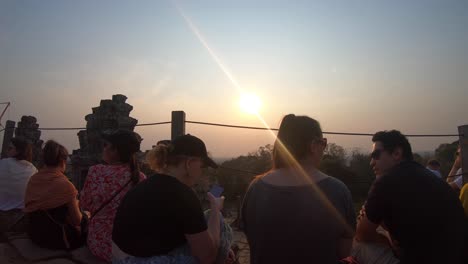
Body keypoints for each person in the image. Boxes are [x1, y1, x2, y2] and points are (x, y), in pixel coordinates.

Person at [241, 114, 356, 264]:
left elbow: (254, 241)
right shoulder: (337, 191)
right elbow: (343, 252)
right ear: (314, 145)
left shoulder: (256, 188)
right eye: (323, 143)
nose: (324, 149)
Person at [112, 134, 232, 264]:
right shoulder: (184, 195)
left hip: (124, 259)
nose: (201, 172)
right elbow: (208, 257)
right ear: (189, 163)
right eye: (202, 166)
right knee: (219, 224)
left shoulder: (143, 186)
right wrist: (215, 209)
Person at [354, 130, 466, 264]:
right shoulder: (432, 178)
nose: (371, 162)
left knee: (357, 244)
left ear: (396, 153)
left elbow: (362, 235)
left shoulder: (385, 182)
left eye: (376, 155)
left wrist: (386, 241)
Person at [80, 129, 146, 262]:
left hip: (99, 242)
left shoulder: (95, 171)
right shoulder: (140, 178)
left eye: (106, 146)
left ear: (115, 151)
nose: (103, 149)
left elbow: (84, 204)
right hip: (128, 243)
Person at [24, 140, 86, 250]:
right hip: (57, 239)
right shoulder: (65, 185)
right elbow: (77, 220)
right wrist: (85, 215)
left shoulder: (34, 179)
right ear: (63, 161)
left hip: (34, 234)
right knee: (86, 219)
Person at [0, 137, 37, 234]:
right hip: (22, 219)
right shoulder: (33, 169)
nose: (7, 151)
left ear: (18, 151)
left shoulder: (3, 163)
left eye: (10, 148)